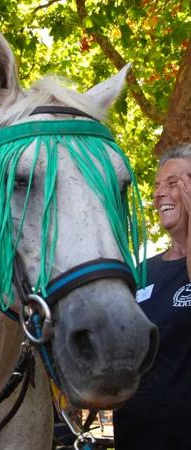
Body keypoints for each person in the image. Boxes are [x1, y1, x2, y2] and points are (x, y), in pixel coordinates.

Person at [113, 143, 191, 449]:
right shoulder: (141, 271)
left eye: (174, 184)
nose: (159, 194)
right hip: (137, 433)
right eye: (157, 186)